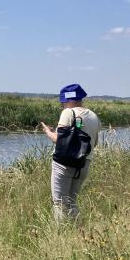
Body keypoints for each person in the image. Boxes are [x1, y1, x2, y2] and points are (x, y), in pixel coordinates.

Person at [41, 83, 101, 221]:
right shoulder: (93, 116)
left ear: (67, 100)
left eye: (62, 102)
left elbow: (59, 140)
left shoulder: (68, 113)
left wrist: (48, 132)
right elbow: (95, 143)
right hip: (84, 164)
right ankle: (78, 230)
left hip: (63, 164)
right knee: (71, 202)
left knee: (59, 203)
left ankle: (61, 235)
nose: (62, 105)